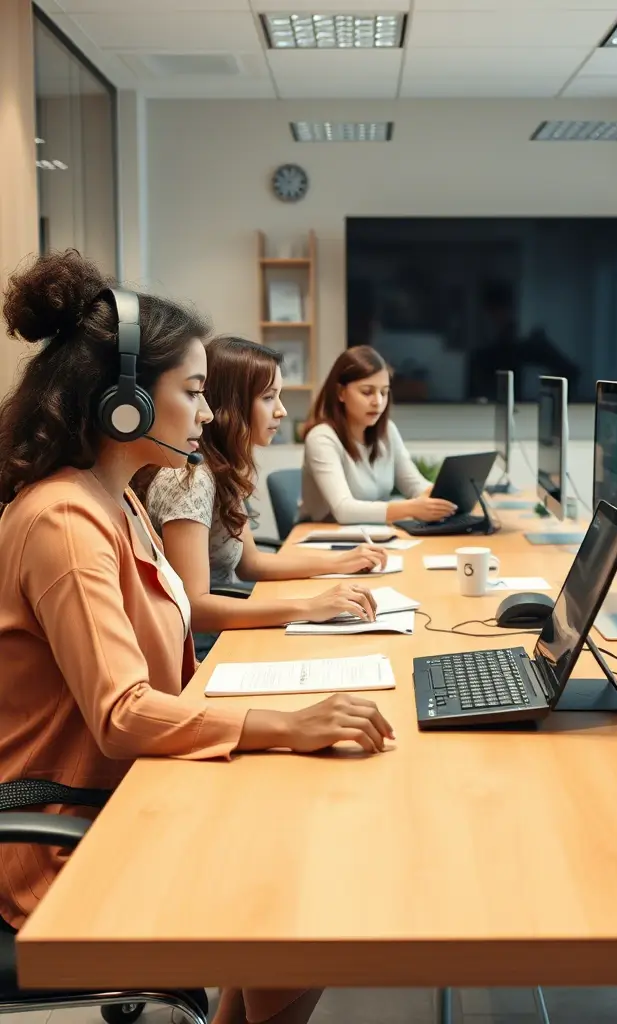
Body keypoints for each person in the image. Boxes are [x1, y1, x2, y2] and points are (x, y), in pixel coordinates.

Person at [0, 251, 394, 1024]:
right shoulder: (65, 522)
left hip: (136, 794)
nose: (209, 414)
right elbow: (121, 715)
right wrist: (286, 723)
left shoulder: (115, 502)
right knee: (301, 895)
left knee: (296, 853)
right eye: (193, 392)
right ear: (123, 403)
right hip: (71, 834)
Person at [139, 336, 388, 658]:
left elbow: (252, 565)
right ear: (231, 404)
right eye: (269, 397)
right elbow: (195, 609)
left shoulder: (221, 469)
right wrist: (309, 606)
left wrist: (343, 561)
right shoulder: (190, 479)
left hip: (225, 629)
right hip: (199, 649)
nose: (282, 411)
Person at [300, 345, 457, 525]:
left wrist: (445, 497)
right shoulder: (322, 438)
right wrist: (411, 508)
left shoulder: (388, 431)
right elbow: (344, 510)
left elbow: (415, 485)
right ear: (341, 393)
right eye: (367, 392)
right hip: (322, 541)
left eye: (384, 392)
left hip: (371, 537)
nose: (378, 402)